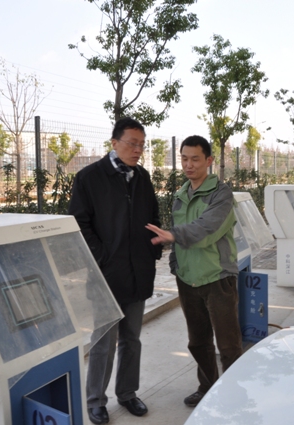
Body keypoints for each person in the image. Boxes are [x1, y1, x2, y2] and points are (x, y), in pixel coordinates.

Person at [69, 117, 161, 424]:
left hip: (138, 272)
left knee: (132, 338)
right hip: (105, 275)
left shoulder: (142, 177)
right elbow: (79, 224)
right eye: (132, 143)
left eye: (141, 145)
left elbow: (153, 218)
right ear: (114, 142)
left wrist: (151, 251)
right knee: (103, 343)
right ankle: (96, 400)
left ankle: (127, 393)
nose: (137, 150)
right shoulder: (89, 178)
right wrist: (103, 257)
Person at [146, 135, 243, 408]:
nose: (189, 165)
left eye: (195, 159)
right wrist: (176, 264)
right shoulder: (181, 195)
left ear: (209, 161)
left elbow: (208, 229)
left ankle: (233, 396)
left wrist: (174, 235)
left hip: (217, 278)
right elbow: (176, 234)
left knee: (228, 345)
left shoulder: (221, 194)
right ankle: (207, 387)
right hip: (188, 280)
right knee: (198, 342)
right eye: (184, 159)